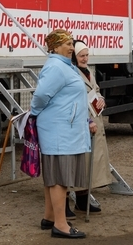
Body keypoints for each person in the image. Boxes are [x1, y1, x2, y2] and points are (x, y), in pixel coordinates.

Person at [30, 29, 89, 239]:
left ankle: (50, 217)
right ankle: (61, 225)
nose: (72, 48)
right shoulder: (56, 67)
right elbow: (40, 96)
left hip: (63, 130)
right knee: (59, 179)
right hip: (59, 131)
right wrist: (35, 114)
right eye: (67, 44)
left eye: (72, 44)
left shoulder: (63, 66)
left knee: (54, 177)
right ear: (54, 46)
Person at [68, 40, 114, 216]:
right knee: (75, 165)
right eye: (81, 56)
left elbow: (95, 91)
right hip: (80, 123)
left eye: (87, 55)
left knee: (87, 165)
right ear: (74, 56)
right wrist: (86, 121)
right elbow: (74, 100)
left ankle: (82, 200)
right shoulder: (72, 73)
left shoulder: (88, 72)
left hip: (93, 121)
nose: (85, 58)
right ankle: (65, 204)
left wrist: (101, 99)